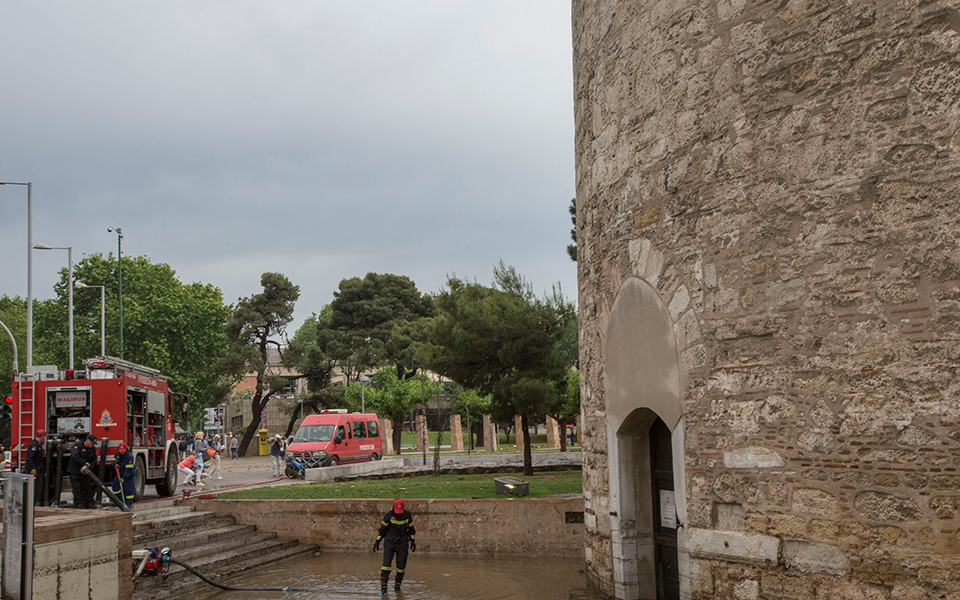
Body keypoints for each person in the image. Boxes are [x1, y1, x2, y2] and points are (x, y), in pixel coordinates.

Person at [373, 498, 416, 594]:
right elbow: (382, 529)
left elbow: (411, 529)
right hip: (390, 542)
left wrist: (412, 540)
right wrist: (378, 541)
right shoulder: (388, 515)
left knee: (401, 566)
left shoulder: (407, 515)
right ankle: (383, 589)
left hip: (402, 543)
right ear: (393, 508)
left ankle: (397, 586)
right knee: (386, 566)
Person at [68, 435, 99, 509]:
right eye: (91, 443)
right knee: (77, 489)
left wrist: (89, 468)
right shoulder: (77, 446)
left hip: (86, 472)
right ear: (87, 440)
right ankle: (79, 504)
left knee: (87, 488)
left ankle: (89, 503)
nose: (92, 445)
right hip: (75, 471)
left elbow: (94, 459)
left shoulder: (92, 449)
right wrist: (84, 463)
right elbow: (75, 456)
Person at [24, 429, 47, 506]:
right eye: (44, 436)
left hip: (38, 468)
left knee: (38, 488)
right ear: (42, 436)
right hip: (34, 469)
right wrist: (33, 469)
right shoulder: (34, 445)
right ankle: (32, 504)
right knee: (34, 488)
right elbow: (30, 458)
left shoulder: (38, 444)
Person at [111, 442, 135, 507]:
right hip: (120, 472)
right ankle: (118, 500)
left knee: (128, 489)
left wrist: (124, 478)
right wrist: (115, 464)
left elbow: (129, 469)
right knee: (115, 486)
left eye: (123, 451)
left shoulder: (129, 456)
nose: (122, 452)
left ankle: (129, 504)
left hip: (128, 474)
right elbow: (114, 460)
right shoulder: (117, 454)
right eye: (121, 451)